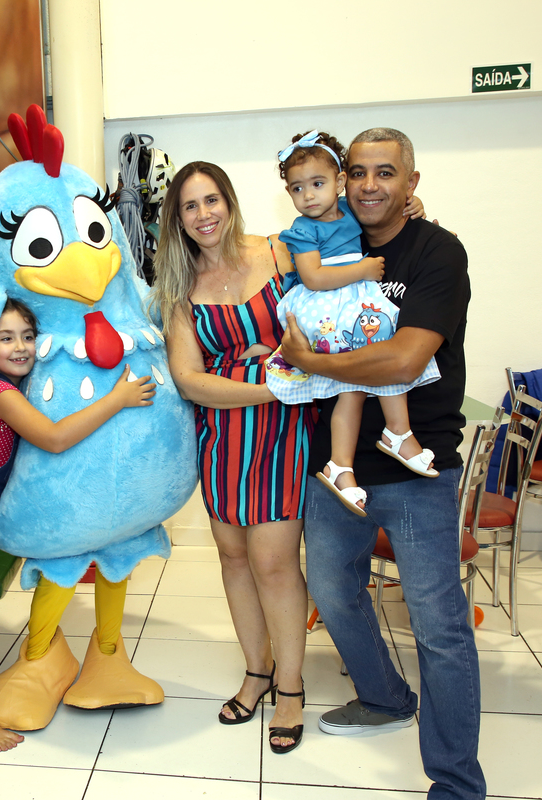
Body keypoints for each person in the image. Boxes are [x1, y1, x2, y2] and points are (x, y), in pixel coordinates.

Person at [278, 128, 482, 799]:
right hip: (336, 467)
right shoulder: (329, 234)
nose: (370, 185)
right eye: (358, 172)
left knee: (439, 627)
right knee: (333, 592)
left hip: (417, 467)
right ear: (341, 180)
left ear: (411, 183)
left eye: (386, 173)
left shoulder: (436, 251)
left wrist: (314, 362)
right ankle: (385, 697)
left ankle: (455, 781)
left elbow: (403, 359)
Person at [0, 299, 155, 751]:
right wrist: (117, 399)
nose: (20, 347)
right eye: (6, 338)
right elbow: (54, 438)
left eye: (28, 336)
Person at [152, 161, 311, 755]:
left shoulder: (278, 252)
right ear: (178, 218)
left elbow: (329, 309)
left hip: (285, 432)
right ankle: (257, 671)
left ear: (230, 201)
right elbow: (190, 380)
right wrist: (270, 385)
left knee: (273, 561)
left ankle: (291, 689)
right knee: (234, 557)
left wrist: (279, 367)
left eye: (212, 200)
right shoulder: (179, 291)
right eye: (190, 206)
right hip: (224, 434)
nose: (204, 215)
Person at [266, 131, 439, 517]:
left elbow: (386, 204)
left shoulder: (349, 209)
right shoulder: (303, 230)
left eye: (317, 184)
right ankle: (385, 438)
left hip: (351, 300)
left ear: (339, 182)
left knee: (359, 383)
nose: (309, 196)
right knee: (366, 367)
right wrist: (362, 269)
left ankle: (347, 460)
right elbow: (313, 277)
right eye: (297, 188)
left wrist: (414, 204)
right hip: (325, 304)